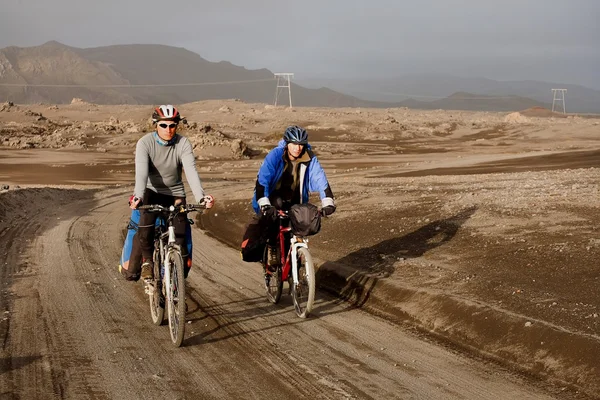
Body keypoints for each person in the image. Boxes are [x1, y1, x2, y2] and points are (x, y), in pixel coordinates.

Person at [129, 104, 214, 280]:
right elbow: (141, 174)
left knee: (181, 234)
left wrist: (201, 197)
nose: (168, 129)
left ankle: (175, 282)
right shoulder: (145, 143)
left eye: (172, 125)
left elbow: (191, 172)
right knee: (146, 224)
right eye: (163, 125)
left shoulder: (183, 143)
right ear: (156, 125)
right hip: (151, 192)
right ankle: (147, 261)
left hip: (175, 195)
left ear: (177, 125)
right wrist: (137, 196)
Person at [248, 125, 335, 265]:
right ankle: (272, 247)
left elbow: (321, 180)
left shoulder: (310, 158)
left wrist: (328, 202)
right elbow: (262, 180)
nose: (297, 148)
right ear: (287, 143)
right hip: (273, 198)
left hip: (296, 198)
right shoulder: (275, 155)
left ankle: (298, 257)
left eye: (301, 144)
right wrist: (264, 203)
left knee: (302, 220)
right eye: (294, 143)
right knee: (276, 210)